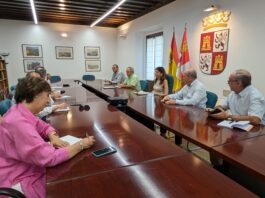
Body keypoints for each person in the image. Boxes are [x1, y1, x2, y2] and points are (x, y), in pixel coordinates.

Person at [0, 77, 95, 197]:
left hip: (20, 166)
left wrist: (52, 136)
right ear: (36, 95)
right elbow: (49, 158)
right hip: (16, 177)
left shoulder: (19, 111)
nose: (48, 101)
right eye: (46, 95)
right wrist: (81, 144)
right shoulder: (19, 123)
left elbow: (43, 126)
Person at [161, 69, 207, 144]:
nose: (182, 78)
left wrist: (175, 101)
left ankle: (177, 144)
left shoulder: (199, 87)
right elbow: (178, 95)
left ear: (190, 78)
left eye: (183, 76)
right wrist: (168, 96)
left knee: (176, 121)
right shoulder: (187, 85)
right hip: (186, 109)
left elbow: (193, 102)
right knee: (167, 117)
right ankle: (166, 138)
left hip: (197, 114)